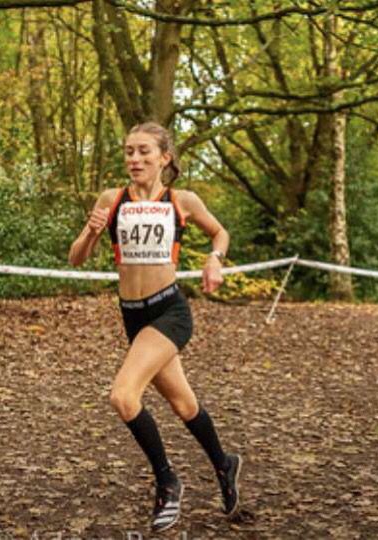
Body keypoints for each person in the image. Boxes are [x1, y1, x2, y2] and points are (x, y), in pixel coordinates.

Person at [68, 121, 241, 532]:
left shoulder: (182, 200)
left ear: (164, 157)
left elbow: (220, 233)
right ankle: (224, 463)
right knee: (183, 404)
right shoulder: (112, 199)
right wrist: (91, 232)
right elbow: (76, 258)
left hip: (169, 312)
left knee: (123, 396)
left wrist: (214, 259)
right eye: (129, 151)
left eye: (144, 151)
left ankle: (167, 481)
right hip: (133, 314)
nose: (134, 158)